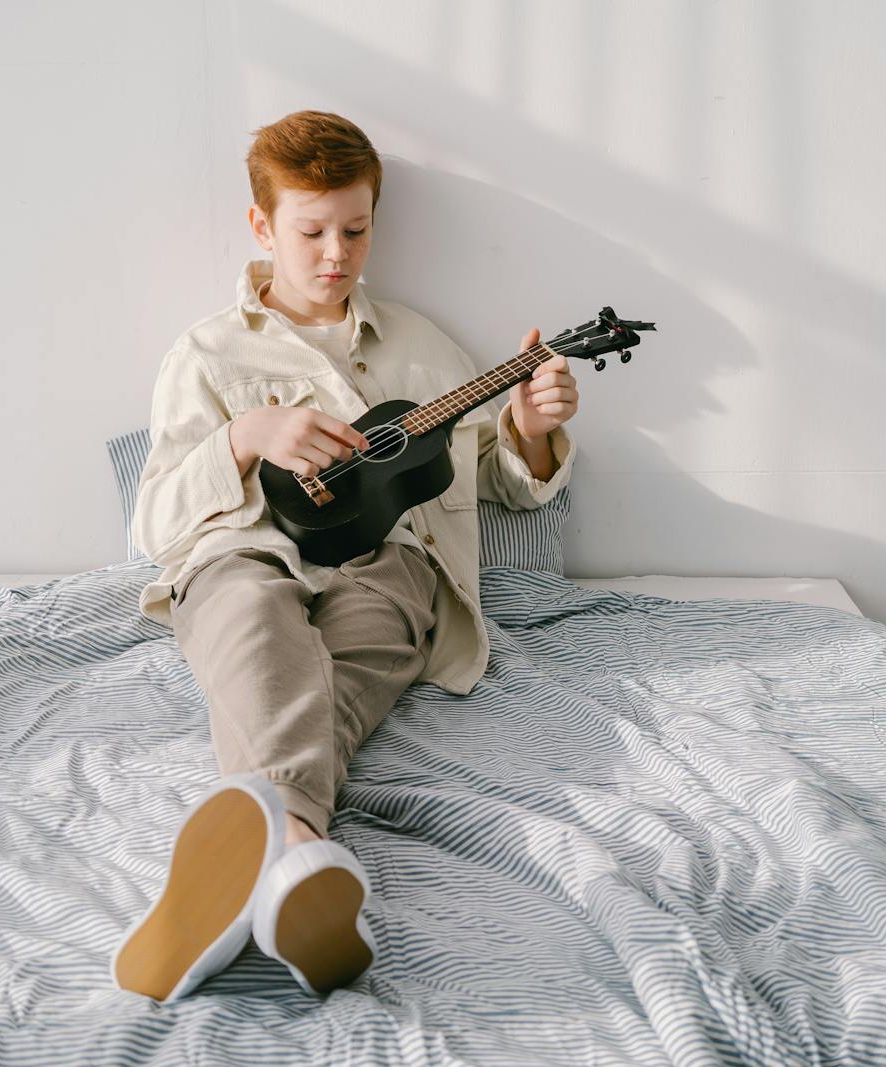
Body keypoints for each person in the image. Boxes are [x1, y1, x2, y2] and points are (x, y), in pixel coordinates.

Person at [110, 110, 579, 1002]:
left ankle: (265, 855)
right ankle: (294, 852)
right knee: (254, 622)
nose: (336, 254)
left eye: (356, 230)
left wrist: (534, 427)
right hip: (241, 556)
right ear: (262, 226)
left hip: (388, 568)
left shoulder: (421, 348)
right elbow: (155, 521)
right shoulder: (208, 353)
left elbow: (507, 480)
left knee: (354, 655)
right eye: (312, 231)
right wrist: (246, 435)